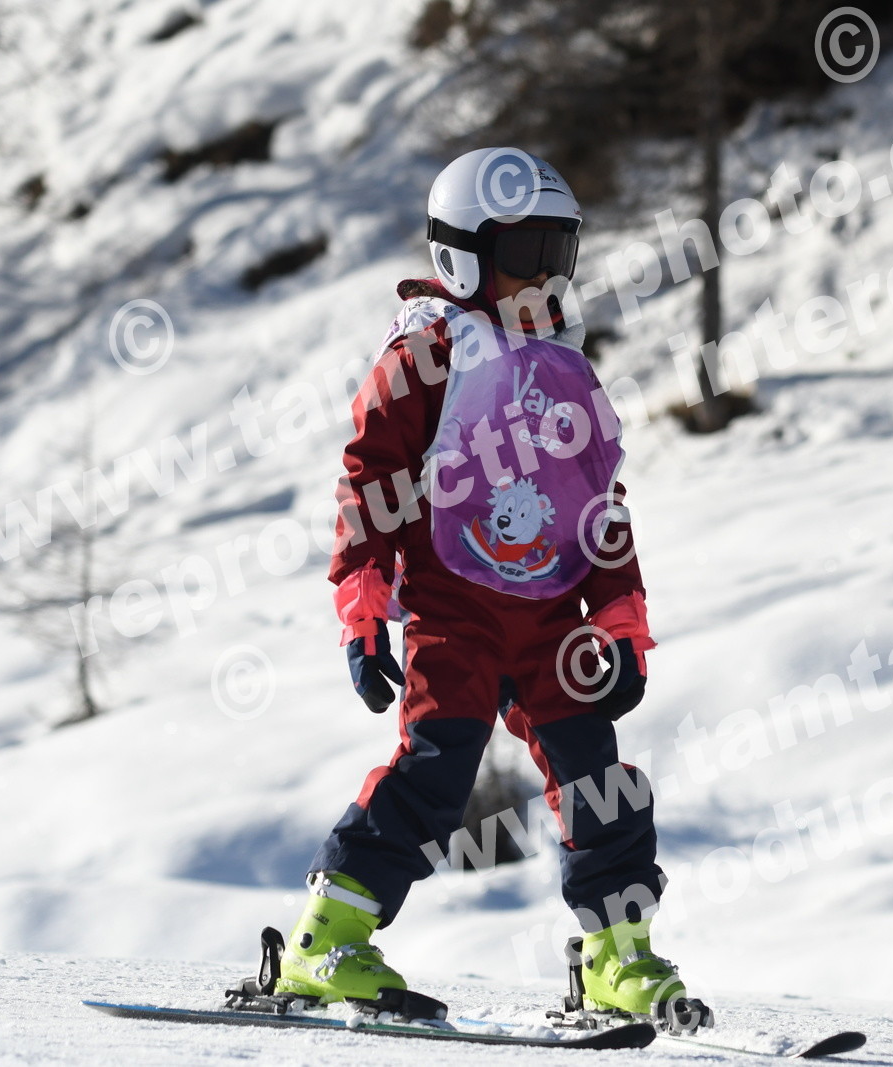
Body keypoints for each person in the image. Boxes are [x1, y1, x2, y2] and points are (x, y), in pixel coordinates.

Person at [271, 148, 695, 1027]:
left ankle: (618, 955)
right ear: (462, 255)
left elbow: (599, 507)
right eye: (524, 253)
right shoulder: (423, 357)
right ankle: (326, 938)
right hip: (454, 610)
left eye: (558, 254)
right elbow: (368, 488)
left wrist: (621, 622)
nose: (543, 277)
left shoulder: (563, 367)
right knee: (436, 770)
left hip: (552, 617)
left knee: (599, 778)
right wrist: (363, 614)